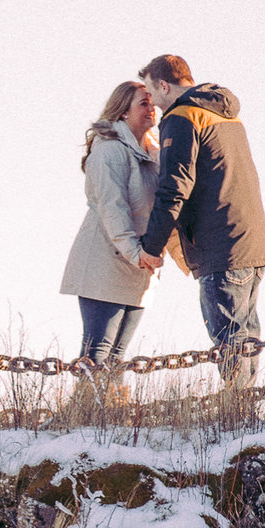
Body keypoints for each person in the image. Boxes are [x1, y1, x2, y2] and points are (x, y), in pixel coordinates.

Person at [132, 53, 265, 391]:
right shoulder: (224, 114)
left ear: (163, 85)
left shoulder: (182, 117)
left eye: (152, 93)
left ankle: (236, 414)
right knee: (245, 334)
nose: (154, 106)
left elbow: (173, 187)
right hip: (251, 239)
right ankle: (243, 408)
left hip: (218, 243)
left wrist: (151, 248)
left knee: (228, 336)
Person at [59, 80, 160, 375]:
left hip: (138, 263)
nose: (151, 108)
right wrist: (135, 253)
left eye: (152, 101)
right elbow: (112, 207)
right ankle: (86, 417)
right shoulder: (110, 152)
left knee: (118, 357)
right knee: (97, 354)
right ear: (123, 112)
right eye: (143, 103)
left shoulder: (153, 153)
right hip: (106, 259)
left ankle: (111, 419)